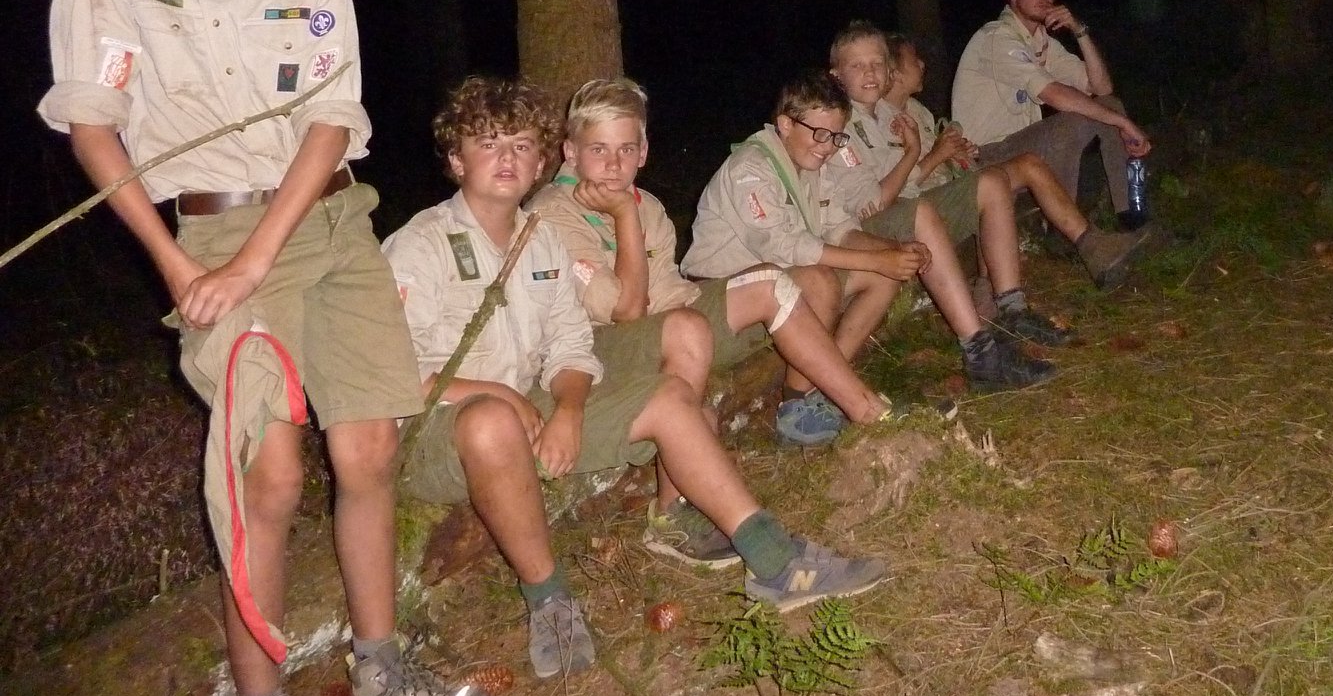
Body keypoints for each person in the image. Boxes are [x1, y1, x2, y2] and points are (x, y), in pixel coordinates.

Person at [39, 0, 487, 696]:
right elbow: (91, 123)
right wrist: (176, 261)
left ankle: (380, 666)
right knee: (267, 474)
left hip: (331, 220)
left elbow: (332, 116)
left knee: (368, 451)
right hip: (211, 227)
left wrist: (258, 259)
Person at [387, 77, 890, 655]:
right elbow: (398, 374)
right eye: (489, 144)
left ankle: (775, 560)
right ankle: (549, 600)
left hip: (529, 399)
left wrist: (571, 406)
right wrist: (507, 400)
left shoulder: (536, 242)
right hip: (441, 430)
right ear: (455, 159)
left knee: (673, 400)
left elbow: (572, 346)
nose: (508, 159)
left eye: (523, 145)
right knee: (490, 421)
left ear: (542, 158)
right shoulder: (420, 245)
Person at [531, 76, 894, 459]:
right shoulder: (553, 213)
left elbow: (671, 291)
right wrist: (623, 216)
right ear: (570, 152)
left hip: (665, 319)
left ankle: (846, 406)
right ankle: (869, 412)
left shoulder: (647, 205)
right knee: (689, 326)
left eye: (626, 149)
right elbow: (627, 311)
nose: (613, 164)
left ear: (643, 152)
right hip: (598, 348)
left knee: (770, 281)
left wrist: (717, 310)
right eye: (598, 149)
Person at [682, 71, 1054, 439]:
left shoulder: (811, 165)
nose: (827, 147)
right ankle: (807, 407)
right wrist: (875, 259)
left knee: (880, 275)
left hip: (778, 284)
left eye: (835, 137)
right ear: (784, 124)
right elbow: (786, 247)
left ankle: (815, 395)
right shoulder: (751, 167)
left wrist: (891, 253)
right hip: (721, 296)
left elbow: (842, 229)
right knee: (819, 280)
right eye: (819, 134)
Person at [872, 28, 1145, 291]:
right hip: (922, 210)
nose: (921, 63)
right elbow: (891, 190)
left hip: (950, 188)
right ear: (894, 73)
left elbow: (942, 162)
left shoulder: (918, 112)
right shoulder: (879, 119)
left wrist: (956, 152)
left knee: (1028, 164)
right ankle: (993, 292)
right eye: (913, 59)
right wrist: (937, 156)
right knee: (995, 183)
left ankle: (1093, 246)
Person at [952, 0, 1154, 226]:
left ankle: (1132, 218)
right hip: (986, 158)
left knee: (1109, 106)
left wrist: (1079, 30)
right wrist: (1124, 123)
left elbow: (1102, 87)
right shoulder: (996, 37)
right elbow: (1055, 95)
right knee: (1071, 124)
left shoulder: (1041, 42)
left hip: (1021, 148)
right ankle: (1063, 232)